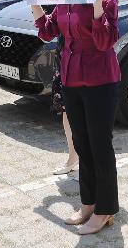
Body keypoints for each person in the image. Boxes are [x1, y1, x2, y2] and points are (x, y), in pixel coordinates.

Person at [23, 0, 120, 235]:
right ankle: (88, 203)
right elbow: (48, 32)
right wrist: (34, 2)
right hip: (71, 78)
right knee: (81, 143)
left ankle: (105, 210)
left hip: (101, 79)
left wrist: (96, 5)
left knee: (99, 145)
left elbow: (105, 41)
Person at [51, 35, 79, 177]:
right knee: (66, 114)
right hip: (64, 62)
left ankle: (78, 158)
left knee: (79, 115)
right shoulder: (61, 12)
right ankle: (73, 157)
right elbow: (47, 30)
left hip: (82, 63)